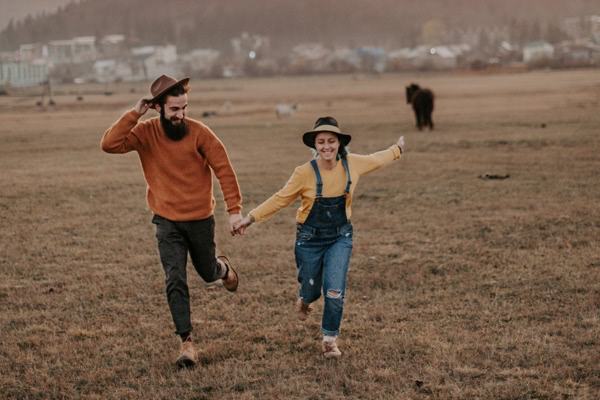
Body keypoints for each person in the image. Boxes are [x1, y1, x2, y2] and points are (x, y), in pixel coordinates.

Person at [101, 74, 242, 368]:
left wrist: (234, 211)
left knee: (206, 272)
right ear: (158, 108)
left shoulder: (200, 132)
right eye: (174, 109)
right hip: (166, 220)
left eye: (184, 108)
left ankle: (223, 268)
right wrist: (134, 113)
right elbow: (109, 144)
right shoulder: (145, 132)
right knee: (174, 277)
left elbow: (224, 170)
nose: (181, 115)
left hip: (200, 218)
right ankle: (187, 343)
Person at [233, 116, 404, 358]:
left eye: (331, 141)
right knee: (312, 289)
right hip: (309, 239)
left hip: (340, 237)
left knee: (334, 290)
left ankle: (329, 339)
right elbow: (280, 199)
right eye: (321, 142)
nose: (326, 147)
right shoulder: (304, 173)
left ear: (339, 143)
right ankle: (305, 299)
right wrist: (250, 218)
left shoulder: (352, 164)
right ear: (315, 144)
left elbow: (377, 159)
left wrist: (397, 150)